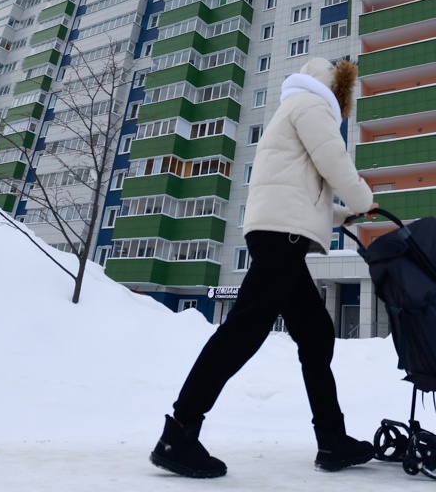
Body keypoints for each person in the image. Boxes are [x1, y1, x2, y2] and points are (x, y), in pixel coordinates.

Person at [150, 57, 378, 478]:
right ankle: (179, 432)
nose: (344, 107)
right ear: (333, 88)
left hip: (277, 230)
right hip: (281, 236)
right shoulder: (312, 106)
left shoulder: (291, 109)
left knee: (315, 333)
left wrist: (342, 215)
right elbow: (334, 161)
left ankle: (332, 439)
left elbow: (296, 190)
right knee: (245, 328)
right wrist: (364, 200)